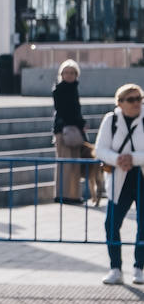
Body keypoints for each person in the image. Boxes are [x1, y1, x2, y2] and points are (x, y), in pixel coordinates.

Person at [94, 83, 144, 285]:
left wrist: (133, 158)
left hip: (141, 176)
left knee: (143, 225)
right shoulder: (111, 120)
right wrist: (118, 160)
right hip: (119, 177)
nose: (136, 103)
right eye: (131, 100)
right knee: (112, 223)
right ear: (120, 103)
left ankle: (138, 267)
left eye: (139, 99)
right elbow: (100, 149)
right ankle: (115, 267)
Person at [53, 59, 88, 205]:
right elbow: (64, 111)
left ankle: (74, 195)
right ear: (61, 74)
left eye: (72, 72)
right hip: (64, 130)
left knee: (75, 166)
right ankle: (63, 195)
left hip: (74, 130)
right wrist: (81, 123)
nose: (69, 75)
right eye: (66, 73)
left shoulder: (74, 89)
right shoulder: (59, 89)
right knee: (65, 165)